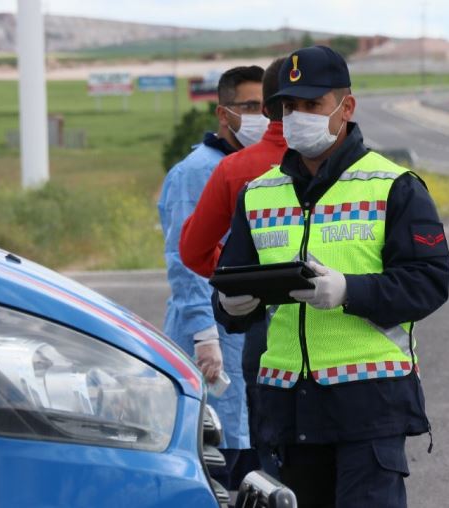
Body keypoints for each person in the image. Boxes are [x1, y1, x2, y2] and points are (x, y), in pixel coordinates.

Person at [212, 45, 449, 507]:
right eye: (290, 106)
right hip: (287, 408)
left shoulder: (394, 186)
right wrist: (230, 307)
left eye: (312, 105)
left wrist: (349, 290)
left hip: (369, 406)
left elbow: (429, 283)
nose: (298, 115)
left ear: (346, 108)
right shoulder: (258, 195)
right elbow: (229, 282)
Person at [179, 57, 289, 477]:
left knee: (271, 462)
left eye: (256, 105)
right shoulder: (362, 171)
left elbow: (193, 252)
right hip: (344, 334)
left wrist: (241, 280)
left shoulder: (238, 169)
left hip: (264, 328)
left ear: (269, 109)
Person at [158, 65, 266, 490]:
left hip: (250, 339)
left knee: (250, 455)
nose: (261, 116)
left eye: (267, 106)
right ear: (224, 114)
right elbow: (185, 260)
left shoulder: (256, 167)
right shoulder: (197, 171)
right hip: (214, 340)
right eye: (250, 106)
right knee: (218, 457)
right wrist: (205, 334)